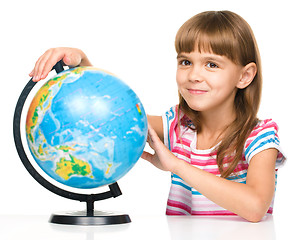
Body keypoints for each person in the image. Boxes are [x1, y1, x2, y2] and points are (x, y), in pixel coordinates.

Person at [29, 10, 285, 222]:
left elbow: (255, 207)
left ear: (244, 76)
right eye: (186, 62)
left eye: (212, 64)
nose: (194, 75)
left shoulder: (260, 135)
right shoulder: (178, 125)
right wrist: (83, 62)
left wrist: (175, 166)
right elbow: (116, 114)